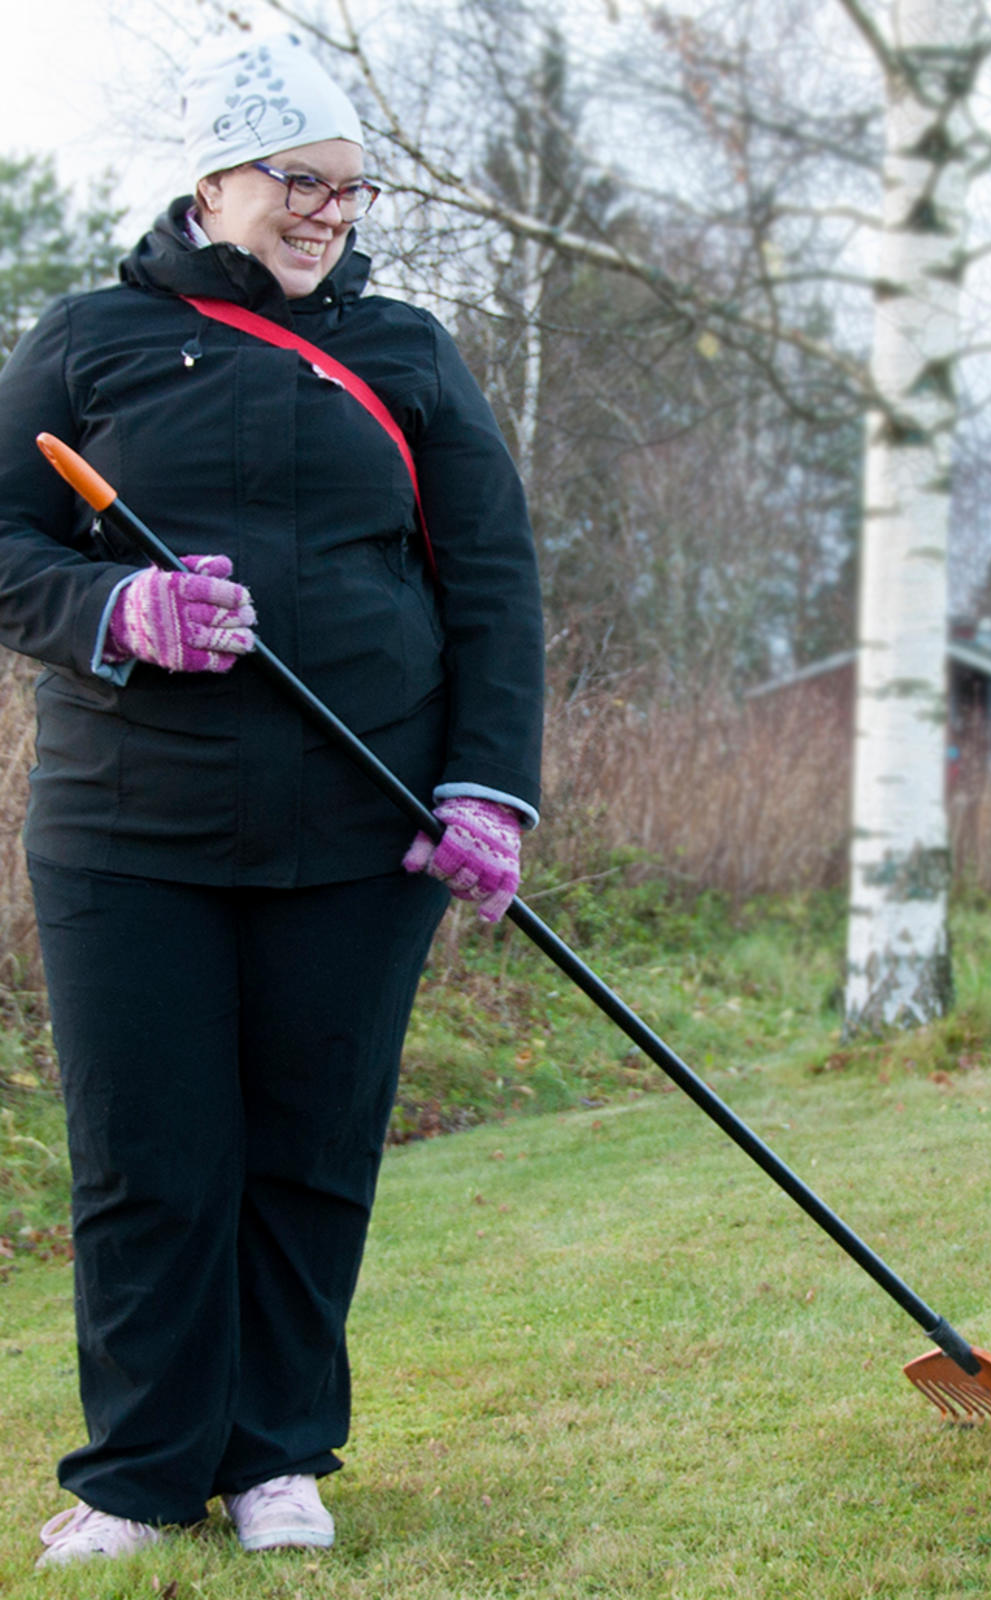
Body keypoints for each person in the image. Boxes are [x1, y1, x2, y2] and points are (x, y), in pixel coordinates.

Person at [0, 33, 543, 1568]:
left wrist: (488, 789)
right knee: (149, 1154)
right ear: (214, 179)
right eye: (302, 182)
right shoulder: (88, 341)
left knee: (311, 1146)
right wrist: (117, 614)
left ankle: (277, 1457)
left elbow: (496, 586)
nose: (331, 215)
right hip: (129, 829)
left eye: (353, 191)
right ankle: (136, 1471)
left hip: (361, 816)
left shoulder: (411, 353)